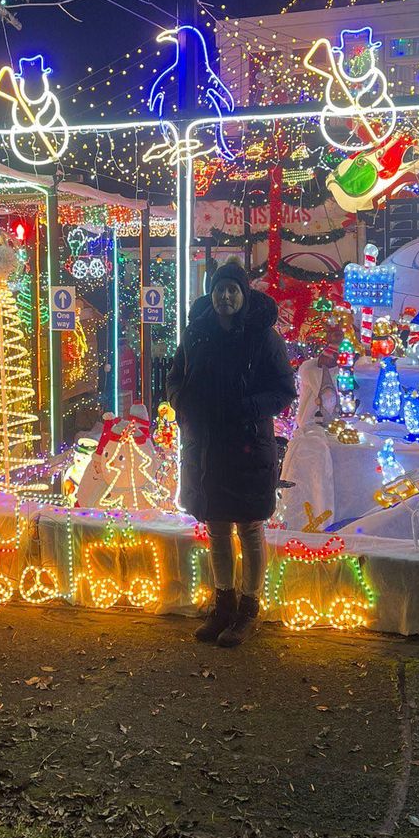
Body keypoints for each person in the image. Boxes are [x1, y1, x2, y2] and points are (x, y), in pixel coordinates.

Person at [167, 259, 296, 647]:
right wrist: (180, 402)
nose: (226, 295)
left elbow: (283, 389)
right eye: (220, 288)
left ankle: (247, 610)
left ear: (244, 294)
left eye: (233, 289)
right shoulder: (197, 333)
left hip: (247, 445)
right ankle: (223, 604)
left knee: (250, 527)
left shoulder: (263, 336)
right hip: (206, 445)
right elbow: (175, 375)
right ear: (212, 292)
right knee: (218, 527)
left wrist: (246, 408)